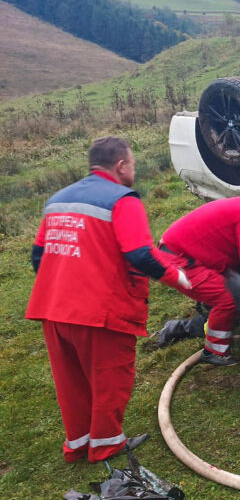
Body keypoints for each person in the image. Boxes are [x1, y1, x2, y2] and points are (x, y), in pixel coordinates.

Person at [26, 136, 193, 462]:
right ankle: (106, 444)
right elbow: (140, 254)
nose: (134, 169)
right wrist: (179, 277)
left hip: (54, 309)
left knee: (70, 381)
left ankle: (77, 444)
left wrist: (65, 283)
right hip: (98, 312)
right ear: (120, 165)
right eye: (132, 164)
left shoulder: (58, 200)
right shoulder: (122, 200)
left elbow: (38, 257)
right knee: (111, 378)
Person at [155, 184, 240, 365]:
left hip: (196, 256)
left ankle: (182, 328)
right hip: (180, 262)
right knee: (228, 299)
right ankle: (214, 351)